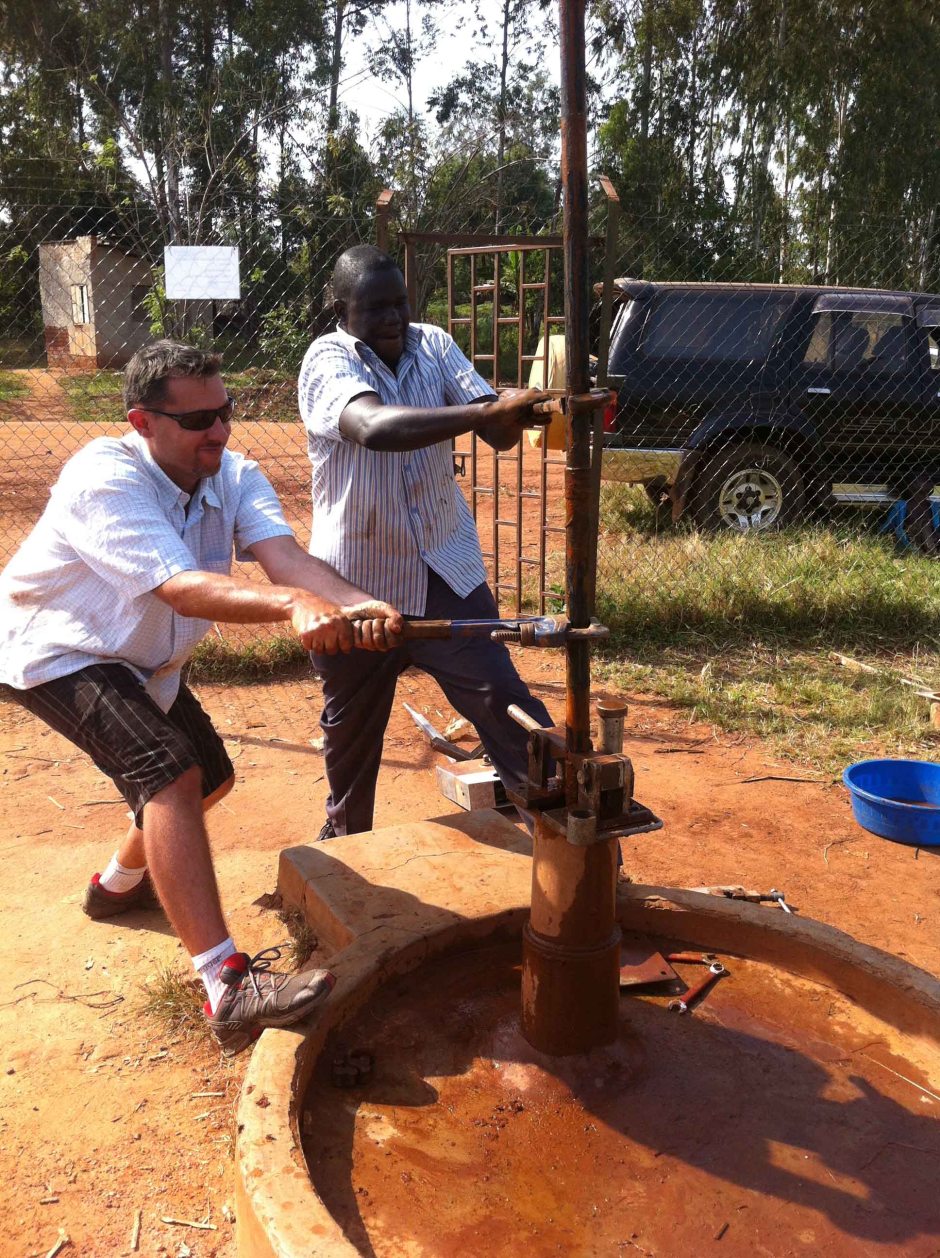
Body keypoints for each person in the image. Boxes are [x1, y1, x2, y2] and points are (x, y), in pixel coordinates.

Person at [0, 340, 402, 1055]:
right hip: (55, 648)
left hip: (140, 656)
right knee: (167, 774)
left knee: (209, 777)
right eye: (197, 421)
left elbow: (290, 561)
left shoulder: (232, 474)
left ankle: (119, 886)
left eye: (225, 412)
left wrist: (361, 604)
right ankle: (228, 987)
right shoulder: (103, 475)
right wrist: (292, 608)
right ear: (143, 422)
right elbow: (179, 586)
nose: (218, 431)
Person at [298, 244, 554, 840]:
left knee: (501, 701)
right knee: (352, 729)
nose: (393, 317)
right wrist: (481, 414)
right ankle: (345, 848)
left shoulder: (433, 343)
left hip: (446, 571)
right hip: (355, 584)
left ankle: (562, 833)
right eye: (375, 306)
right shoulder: (327, 358)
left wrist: (516, 412)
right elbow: (374, 427)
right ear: (340, 309)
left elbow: (499, 439)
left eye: (400, 303)